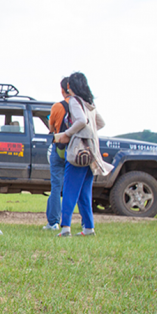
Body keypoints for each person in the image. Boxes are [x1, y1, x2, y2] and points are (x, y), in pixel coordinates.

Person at [53, 72, 113, 237]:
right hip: (92, 152)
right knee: (85, 192)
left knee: (69, 190)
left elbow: (81, 121)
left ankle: (65, 228)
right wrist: (88, 134)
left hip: (78, 152)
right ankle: (88, 228)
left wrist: (69, 134)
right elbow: (100, 123)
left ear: (70, 87)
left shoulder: (74, 101)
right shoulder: (89, 103)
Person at [43, 76, 71, 231]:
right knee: (70, 186)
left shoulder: (57, 107)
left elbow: (52, 128)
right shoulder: (80, 107)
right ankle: (69, 221)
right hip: (75, 149)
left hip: (59, 147)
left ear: (62, 90)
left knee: (56, 186)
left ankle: (53, 221)